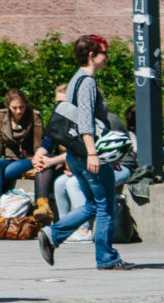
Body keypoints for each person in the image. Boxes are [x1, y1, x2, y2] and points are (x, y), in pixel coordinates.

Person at [41, 35, 132, 271]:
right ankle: (106, 258)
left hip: (77, 153)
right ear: (92, 55)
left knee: (93, 204)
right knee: (105, 206)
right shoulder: (88, 82)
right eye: (104, 53)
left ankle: (52, 235)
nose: (107, 57)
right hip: (88, 154)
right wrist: (94, 153)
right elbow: (85, 122)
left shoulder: (75, 80)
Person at [0, 86, 53, 208]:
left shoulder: (34, 116)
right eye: (14, 108)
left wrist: (37, 160)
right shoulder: (1, 116)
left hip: (29, 158)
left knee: (7, 172)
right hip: (10, 157)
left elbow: (38, 145)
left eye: (21, 107)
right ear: (8, 106)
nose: (18, 111)